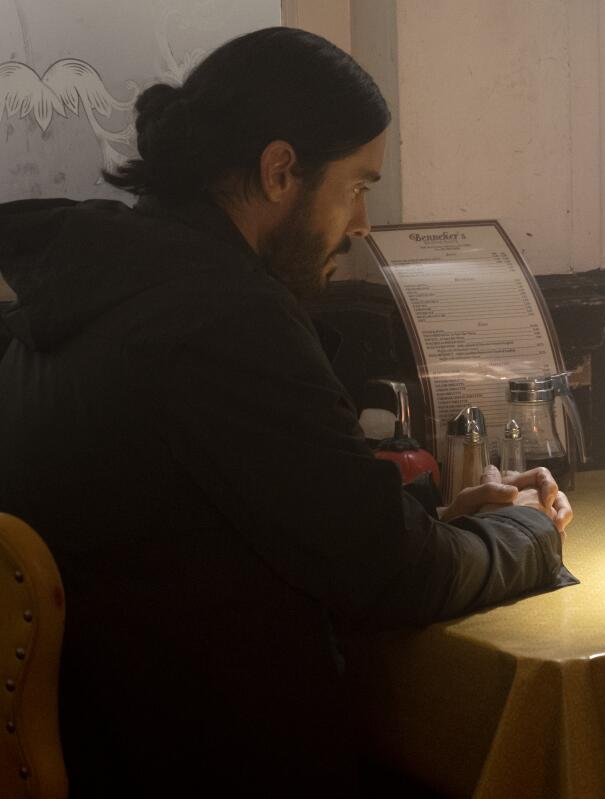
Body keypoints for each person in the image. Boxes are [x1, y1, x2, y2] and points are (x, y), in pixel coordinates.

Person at [0, 27, 574, 798]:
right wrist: (528, 533)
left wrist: (433, 519)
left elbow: (237, 517)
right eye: (358, 187)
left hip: (105, 744)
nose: (363, 223)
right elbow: (391, 574)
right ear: (280, 171)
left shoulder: (96, 282)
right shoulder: (224, 321)